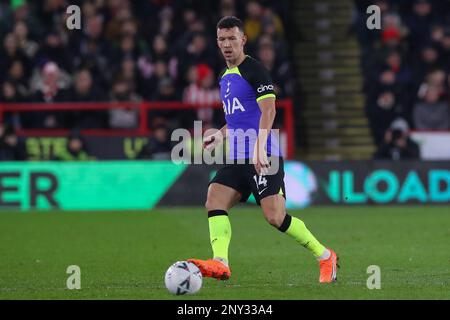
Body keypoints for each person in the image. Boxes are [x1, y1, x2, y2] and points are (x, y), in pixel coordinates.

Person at [188, 16, 339, 283]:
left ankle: (325, 256)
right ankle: (220, 262)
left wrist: (259, 147)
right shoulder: (224, 76)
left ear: (243, 40)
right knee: (214, 198)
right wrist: (221, 135)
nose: (226, 44)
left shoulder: (254, 70)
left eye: (232, 38)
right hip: (237, 157)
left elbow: (269, 109)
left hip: (263, 155)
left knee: (275, 217)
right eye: (222, 39)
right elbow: (239, 116)